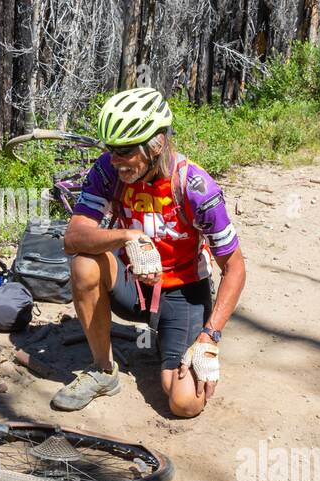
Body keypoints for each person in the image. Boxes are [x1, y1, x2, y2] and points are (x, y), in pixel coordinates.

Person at [52, 86, 247, 418]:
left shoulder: (196, 188)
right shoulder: (107, 171)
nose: (115, 160)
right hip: (131, 285)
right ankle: (103, 369)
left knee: (183, 403)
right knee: (84, 265)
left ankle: (179, 339)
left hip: (183, 293)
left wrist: (210, 337)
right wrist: (128, 236)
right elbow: (74, 237)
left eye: (125, 151)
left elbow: (235, 268)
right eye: (110, 149)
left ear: (155, 144)